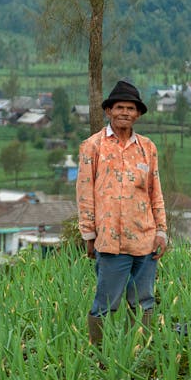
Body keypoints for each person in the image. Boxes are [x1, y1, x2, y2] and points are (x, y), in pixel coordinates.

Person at [76, 79, 168, 346]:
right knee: (105, 303)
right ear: (108, 111)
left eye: (130, 108)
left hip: (145, 238)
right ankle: (100, 355)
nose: (125, 113)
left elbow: (155, 191)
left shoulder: (147, 148)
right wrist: (89, 234)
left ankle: (139, 351)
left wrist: (161, 231)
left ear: (138, 114)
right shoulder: (92, 146)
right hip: (111, 240)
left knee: (143, 301)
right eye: (119, 107)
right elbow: (84, 193)